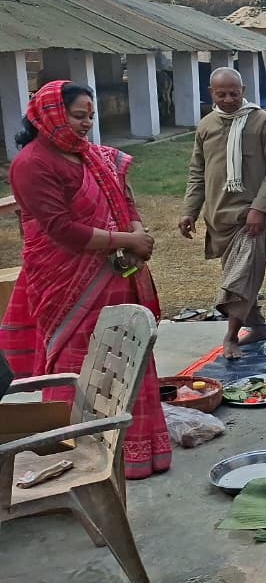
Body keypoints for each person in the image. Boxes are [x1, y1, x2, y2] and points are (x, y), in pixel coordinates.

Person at [0, 81, 171, 478]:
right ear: (50, 116)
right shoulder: (31, 164)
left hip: (115, 274)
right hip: (67, 283)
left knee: (127, 357)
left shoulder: (94, 156)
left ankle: (138, 453)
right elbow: (62, 229)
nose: (86, 124)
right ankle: (78, 457)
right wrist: (128, 240)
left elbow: (123, 199)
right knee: (80, 361)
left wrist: (136, 232)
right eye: (78, 116)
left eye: (90, 116)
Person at [180, 67, 266, 359]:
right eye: (222, 94)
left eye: (234, 93)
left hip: (254, 218)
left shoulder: (264, 121)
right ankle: (259, 327)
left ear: (243, 91)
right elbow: (198, 172)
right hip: (220, 218)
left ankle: (230, 336)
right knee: (243, 276)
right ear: (211, 93)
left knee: (240, 277)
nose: (228, 99)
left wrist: (259, 208)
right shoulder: (206, 125)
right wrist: (189, 210)